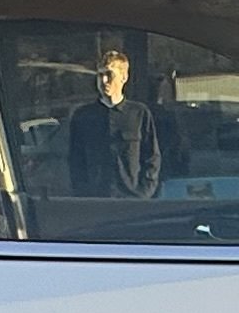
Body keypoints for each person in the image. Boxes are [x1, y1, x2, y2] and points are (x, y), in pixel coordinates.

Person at [61, 39, 165, 200]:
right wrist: (83, 194)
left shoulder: (139, 114)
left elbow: (152, 157)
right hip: (96, 202)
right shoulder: (83, 116)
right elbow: (76, 160)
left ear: (124, 77)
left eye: (109, 74)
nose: (104, 81)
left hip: (133, 202)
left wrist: (144, 193)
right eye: (100, 75)